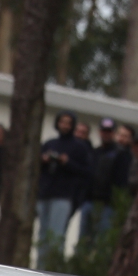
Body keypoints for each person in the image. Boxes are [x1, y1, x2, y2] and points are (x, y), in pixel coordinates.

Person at [36, 111, 90, 260]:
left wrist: (67, 162)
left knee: (56, 235)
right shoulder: (50, 144)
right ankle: (39, 266)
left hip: (63, 196)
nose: (65, 126)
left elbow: (86, 172)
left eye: (68, 123)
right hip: (45, 194)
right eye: (62, 122)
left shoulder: (79, 147)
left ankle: (53, 267)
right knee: (42, 234)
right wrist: (44, 160)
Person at [80, 118, 130, 237]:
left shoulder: (120, 154)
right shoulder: (94, 153)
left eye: (109, 131)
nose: (106, 134)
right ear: (99, 132)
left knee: (102, 240)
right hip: (89, 202)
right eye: (104, 131)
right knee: (84, 240)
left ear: (114, 133)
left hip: (107, 206)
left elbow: (121, 181)